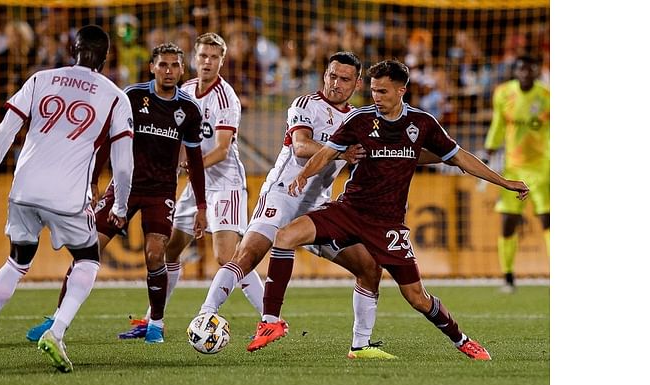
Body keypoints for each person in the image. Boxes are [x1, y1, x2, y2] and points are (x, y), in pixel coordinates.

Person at [246, 59, 529, 361]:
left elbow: (458, 157)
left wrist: (503, 181)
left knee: (417, 298)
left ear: (401, 90)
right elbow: (327, 152)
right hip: (349, 210)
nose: (375, 98)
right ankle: (271, 322)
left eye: (382, 91)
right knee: (286, 236)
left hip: (388, 225)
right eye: (372, 91)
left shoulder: (422, 124)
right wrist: (303, 175)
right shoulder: (360, 120)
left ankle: (461, 340)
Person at [195, 51, 413, 359]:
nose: (335, 84)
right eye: (331, 75)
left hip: (318, 208)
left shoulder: (358, 120)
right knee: (249, 253)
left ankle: (360, 346)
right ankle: (208, 314)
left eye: (344, 79)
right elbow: (300, 148)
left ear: (357, 83)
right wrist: (341, 152)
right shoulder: (306, 105)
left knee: (368, 267)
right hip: (282, 195)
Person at [0, 25, 135, 373]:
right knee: (87, 259)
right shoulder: (115, 96)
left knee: (16, 263)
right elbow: (123, 166)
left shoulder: (41, 79)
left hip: (23, 190)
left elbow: (5, 130)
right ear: (105, 56)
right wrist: (120, 207)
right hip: (67, 197)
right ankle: (57, 331)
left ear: (72, 49)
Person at [25, 42, 207, 345]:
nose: (169, 71)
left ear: (182, 69)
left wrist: (201, 205)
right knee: (88, 249)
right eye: (163, 64)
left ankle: (156, 324)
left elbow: (196, 160)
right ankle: (57, 318)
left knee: (154, 254)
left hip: (161, 191)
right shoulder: (133, 97)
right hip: (124, 187)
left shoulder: (188, 109)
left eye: (175, 65)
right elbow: (107, 141)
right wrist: (94, 180)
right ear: (151, 67)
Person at [116, 32, 266, 340]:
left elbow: (223, 149)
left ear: (222, 61)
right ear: (193, 59)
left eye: (214, 57)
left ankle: (269, 317)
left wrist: (186, 165)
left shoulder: (226, 98)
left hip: (226, 184)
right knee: (169, 251)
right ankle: (152, 319)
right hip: (194, 186)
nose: (207, 62)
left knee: (227, 258)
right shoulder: (183, 90)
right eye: (202, 56)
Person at [483, 54, 549, 293]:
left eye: (530, 68)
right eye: (521, 69)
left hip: (542, 165)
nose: (526, 73)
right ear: (516, 71)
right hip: (514, 167)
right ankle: (508, 276)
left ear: (537, 71)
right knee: (508, 222)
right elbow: (499, 123)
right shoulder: (503, 93)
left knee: (547, 219)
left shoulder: (546, 96)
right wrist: (489, 151)